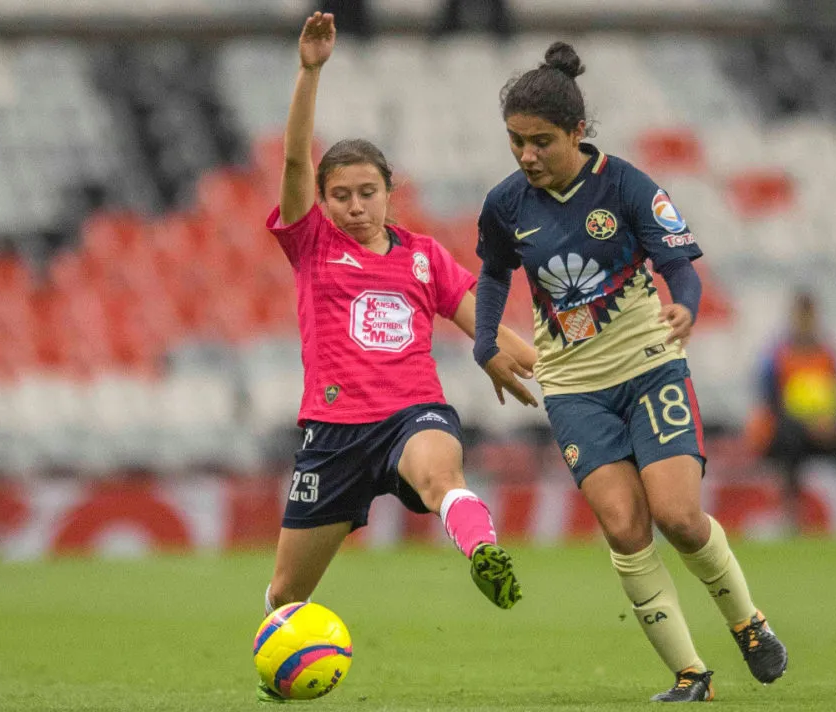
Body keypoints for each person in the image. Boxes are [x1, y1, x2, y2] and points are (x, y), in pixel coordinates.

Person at [473, 42, 788, 702]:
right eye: (515, 142)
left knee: (678, 515)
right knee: (622, 527)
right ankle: (689, 674)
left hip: (649, 367)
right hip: (572, 386)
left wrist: (687, 310)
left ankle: (747, 622)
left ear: (578, 134)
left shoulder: (627, 185)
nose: (526, 155)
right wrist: (484, 346)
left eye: (540, 142)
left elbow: (679, 267)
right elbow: (495, 274)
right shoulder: (506, 204)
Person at [258, 12, 537, 702]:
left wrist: (556, 367)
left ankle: (481, 550)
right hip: (335, 438)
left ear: (390, 191)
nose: (356, 206)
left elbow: (489, 322)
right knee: (283, 597)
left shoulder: (421, 257)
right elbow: (295, 162)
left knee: (444, 476)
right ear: (321, 202)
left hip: (413, 412)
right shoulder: (314, 245)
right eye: (341, 196)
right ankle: (287, 672)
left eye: (367, 192)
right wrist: (310, 72)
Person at [748, 292, 836, 533]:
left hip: (826, 429)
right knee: (788, 445)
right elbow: (772, 404)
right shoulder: (777, 356)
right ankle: (792, 516)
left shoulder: (829, 355)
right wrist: (807, 425)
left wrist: (833, 423)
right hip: (792, 431)